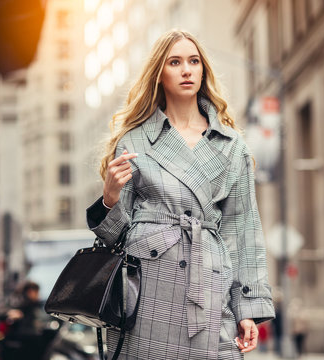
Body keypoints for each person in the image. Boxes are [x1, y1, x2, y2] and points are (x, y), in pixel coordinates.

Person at [86, 29, 275, 359]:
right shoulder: (135, 141)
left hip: (209, 284)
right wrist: (110, 197)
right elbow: (113, 238)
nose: (187, 70)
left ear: (203, 71)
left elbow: (244, 232)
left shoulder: (231, 146)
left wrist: (247, 306)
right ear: (160, 74)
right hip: (146, 290)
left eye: (194, 61)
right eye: (175, 62)